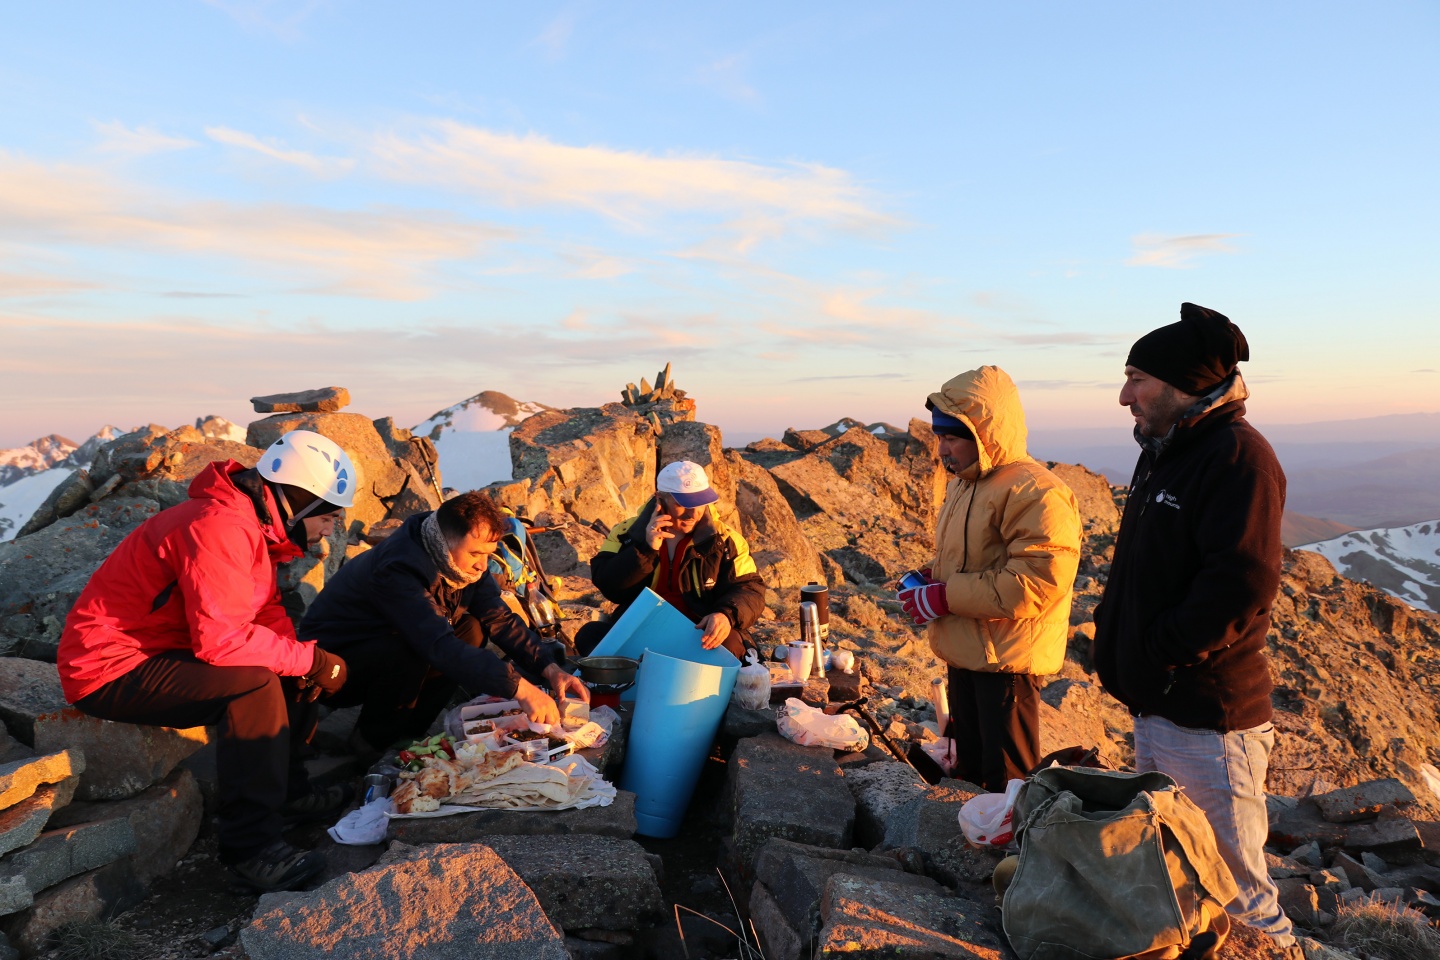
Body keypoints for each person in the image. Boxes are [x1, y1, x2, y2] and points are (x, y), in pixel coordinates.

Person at [59, 430, 357, 893]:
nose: (331, 529)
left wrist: (303, 664)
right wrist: (311, 661)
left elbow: (262, 612)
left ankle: (292, 793)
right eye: (329, 516)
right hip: (108, 666)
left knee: (288, 667)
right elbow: (223, 642)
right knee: (255, 684)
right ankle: (250, 851)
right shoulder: (220, 527)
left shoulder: (250, 525)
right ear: (297, 501)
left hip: (159, 648)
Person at [1092, 302, 1294, 945]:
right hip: (1162, 706)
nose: (1125, 395)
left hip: (1211, 718)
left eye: (1137, 379)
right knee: (1183, 869)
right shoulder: (1167, 451)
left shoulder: (1238, 457)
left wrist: (1157, 653)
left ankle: (1279, 953)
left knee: (1237, 886)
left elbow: (1241, 586)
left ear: (1183, 385)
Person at [896, 366, 1081, 792]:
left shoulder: (1037, 491)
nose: (941, 448)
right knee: (971, 772)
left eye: (951, 437)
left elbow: (1037, 581)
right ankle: (965, 852)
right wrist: (932, 578)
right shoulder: (968, 483)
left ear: (982, 433)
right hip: (967, 652)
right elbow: (977, 559)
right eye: (939, 436)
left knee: (1007, 785)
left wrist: (943, 596)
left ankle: (1012, 858)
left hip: (1007, 663)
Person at [298, 490, 588, 755]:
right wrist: (521, 689)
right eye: (475, 554)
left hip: (389, 644)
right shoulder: (400, 568)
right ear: (447, 539)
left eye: (488, 555)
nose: (482, 565)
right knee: (413, 648)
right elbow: (436, 644)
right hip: (333, 666)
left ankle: (410, 734)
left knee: (470, 630)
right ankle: (371, 743)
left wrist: (549, 669)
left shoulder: (459, 562)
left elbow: (498, 618)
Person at [575, 460, 765, 660]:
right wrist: (645, 549)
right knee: (590, 636)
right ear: (660, 499)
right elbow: (609, 586)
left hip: (700, 634)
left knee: (731, 643)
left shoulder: (726, 540)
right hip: (644, 631)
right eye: (683, 504)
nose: (693, 513)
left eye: (700, 503)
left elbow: (750, 588)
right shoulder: (626, 533)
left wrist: (725, 615)